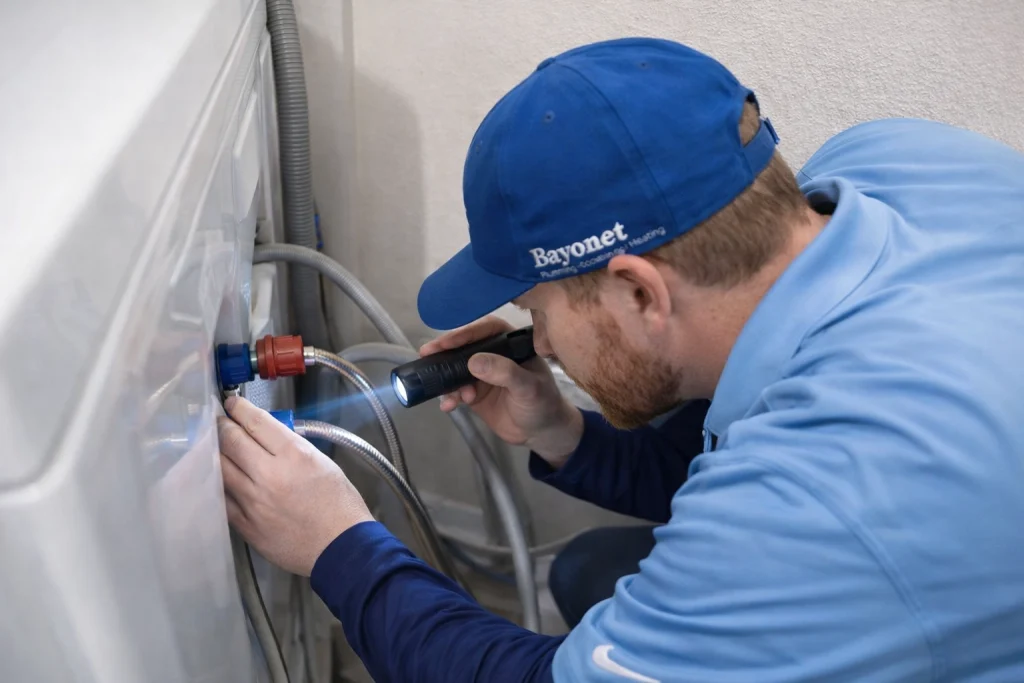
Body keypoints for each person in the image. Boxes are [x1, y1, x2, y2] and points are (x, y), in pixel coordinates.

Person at [217, 37, 1024, 682]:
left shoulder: (823, 501)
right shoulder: (894, 161)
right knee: (591, 571)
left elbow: (790, 506)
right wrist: (568, 435)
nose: (537, 339)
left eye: (538, 308)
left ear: (640, 292)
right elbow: (748, 455)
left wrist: (335, 542)